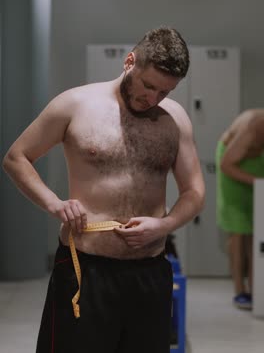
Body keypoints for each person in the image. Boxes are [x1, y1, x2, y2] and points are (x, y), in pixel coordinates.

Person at [3, 26, 205, 353]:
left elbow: (194, 192)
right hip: (85, 270)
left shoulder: (176, 119)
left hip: (149, 273)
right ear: (129, 62)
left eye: (164, 92)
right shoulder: (75, 104)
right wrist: (54, 204)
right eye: (148, 86)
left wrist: (164, 225)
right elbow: (16, 158)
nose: (152, 99)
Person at [216, 109, 264, 310]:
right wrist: (257, 183)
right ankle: (240, 290)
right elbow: (226, 165)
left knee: (258, 231)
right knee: (239, 231)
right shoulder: (254, 126)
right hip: (232, 167)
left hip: (257, 168)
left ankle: (257, 289)